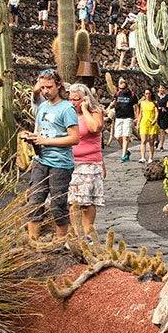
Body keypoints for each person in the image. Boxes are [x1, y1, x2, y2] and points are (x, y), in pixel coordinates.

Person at [21, 70, 80, 241]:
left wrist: (46, 141)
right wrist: (32, 138)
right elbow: (39, 132)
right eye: (43, 87)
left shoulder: (67, 108)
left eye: (49, 87)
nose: (45, 91)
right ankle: (33, 242)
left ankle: (61, 242)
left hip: (60, 163)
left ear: (58, 85)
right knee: (34, 201)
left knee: (57, 205)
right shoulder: (42, 107)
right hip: (41, 160)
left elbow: (74, 138)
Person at [67, 83, 105, 242]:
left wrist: (84, 109)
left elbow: (95, 127)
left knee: (86, 200)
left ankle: (88, 232)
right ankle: (77, 233)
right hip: (71, 162)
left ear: (85, 99)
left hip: (89, 163)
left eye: (76, 99)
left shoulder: (95, 112)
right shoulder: (68, 113)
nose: (73, 102)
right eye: (70, 99)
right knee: (72, 200)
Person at [111, 77, 137, 162]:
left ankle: (123, 156)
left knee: (126, 136)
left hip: (128, 117)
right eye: (120, 84)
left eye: (123, 83)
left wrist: (137, 117)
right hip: (119, 116)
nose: (121, 85)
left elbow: (136, 106)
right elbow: (114, 103)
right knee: (118, 136)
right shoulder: (117, 94)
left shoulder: (132, 94)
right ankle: (126, 151)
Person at [136, 88, 159, 163]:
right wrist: (138, 123)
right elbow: (140, 114)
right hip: (144, 122)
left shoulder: (154, 103)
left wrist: (155, 120)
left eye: (149, 93)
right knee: (143, 140)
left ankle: (150, 158)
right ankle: (142, 157)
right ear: (144, 95)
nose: (147, 95)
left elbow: (157, 113)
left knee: (151, 141)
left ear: (151, 94)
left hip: (152, 123)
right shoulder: (142, 103)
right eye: (146, 93)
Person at [154, 84, 168, 150]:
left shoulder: (167, 97)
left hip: (163, 115)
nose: (161, 89)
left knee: (162, 130)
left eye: (163, 88)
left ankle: (161, 146)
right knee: (155, 129)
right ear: (158, 89)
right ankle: (156, 140)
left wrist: (164, 108)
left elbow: (167, 107)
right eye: (160, 88)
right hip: (155, 115)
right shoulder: (155, 96)